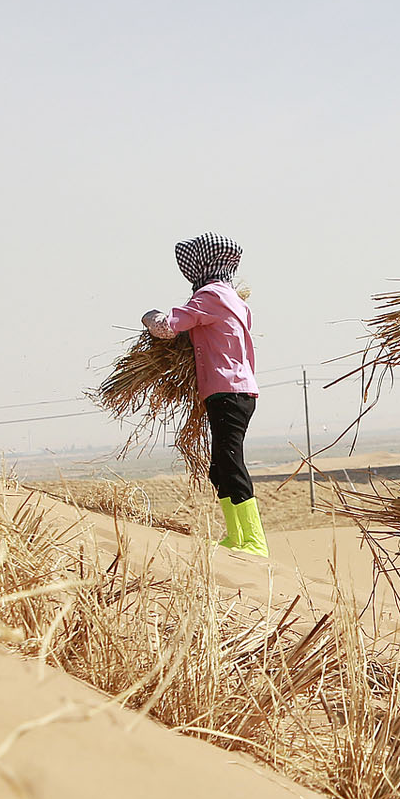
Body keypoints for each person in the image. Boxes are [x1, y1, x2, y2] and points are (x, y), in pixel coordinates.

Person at [142, 233, 267, 557]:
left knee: (229, 460)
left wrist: (149, 315)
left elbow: (167, 327)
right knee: (218, 467)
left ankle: (254, 540)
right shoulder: (233, 299)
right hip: (232, 391)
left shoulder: (210, 296)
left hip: (228, 390)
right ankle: (236, 537)